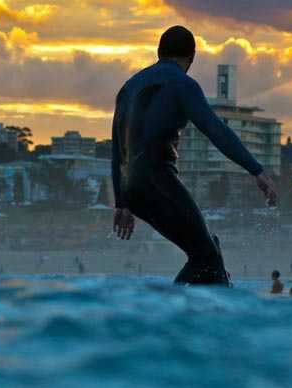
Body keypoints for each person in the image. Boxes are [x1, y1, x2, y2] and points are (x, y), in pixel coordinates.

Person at [111, 26, 278, 286]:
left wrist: (122, 202)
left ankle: (210, 315)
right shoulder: (181, 83)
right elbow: (214, 128)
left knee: (209, 248)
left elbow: (117, 149)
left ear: (159, 52)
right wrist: (256, 169)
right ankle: (165, 317)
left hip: (132, 187)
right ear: (192, 58)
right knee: (205, 254)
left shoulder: (127, 88)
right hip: (155, 179)